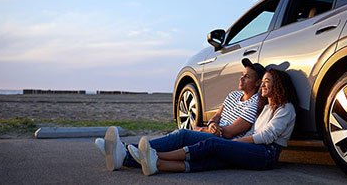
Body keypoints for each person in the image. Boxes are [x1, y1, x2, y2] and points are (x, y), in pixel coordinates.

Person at [97, 58, 266, 171]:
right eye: (242, 75)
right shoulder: (233, 95)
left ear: (257, 82)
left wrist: (202, 130)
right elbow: (217, 115)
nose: (241, 79)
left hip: (225, 143)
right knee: (179, 137)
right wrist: (212, 124)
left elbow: (229, 132)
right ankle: (125, 154)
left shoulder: (255, 102)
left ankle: (125, 150)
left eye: (247, 77)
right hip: (214, 133)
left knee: (182, 135)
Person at [133, 68, 298, 175]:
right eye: (262, 82)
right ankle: (158, 165)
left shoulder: (285, 109)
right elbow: (252, 132)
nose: (262, 85)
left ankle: (155, 155)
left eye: (267, 82)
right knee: (214, 161)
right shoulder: (266, 109)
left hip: (266, 154)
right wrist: (234, 144)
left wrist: (235, 143)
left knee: (213, 144)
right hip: (256, 149)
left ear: (278, 85)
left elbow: (267, 137)